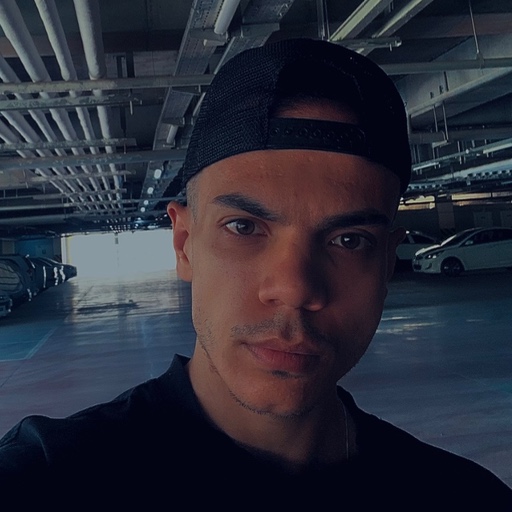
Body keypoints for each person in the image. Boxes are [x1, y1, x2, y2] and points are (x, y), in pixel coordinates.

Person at [0, 38, 510, 509]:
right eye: (243, 227)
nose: (295, 289)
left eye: (350, 240)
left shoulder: (463, 497)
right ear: (184, 244)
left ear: (386, 264)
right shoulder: (47, 480)